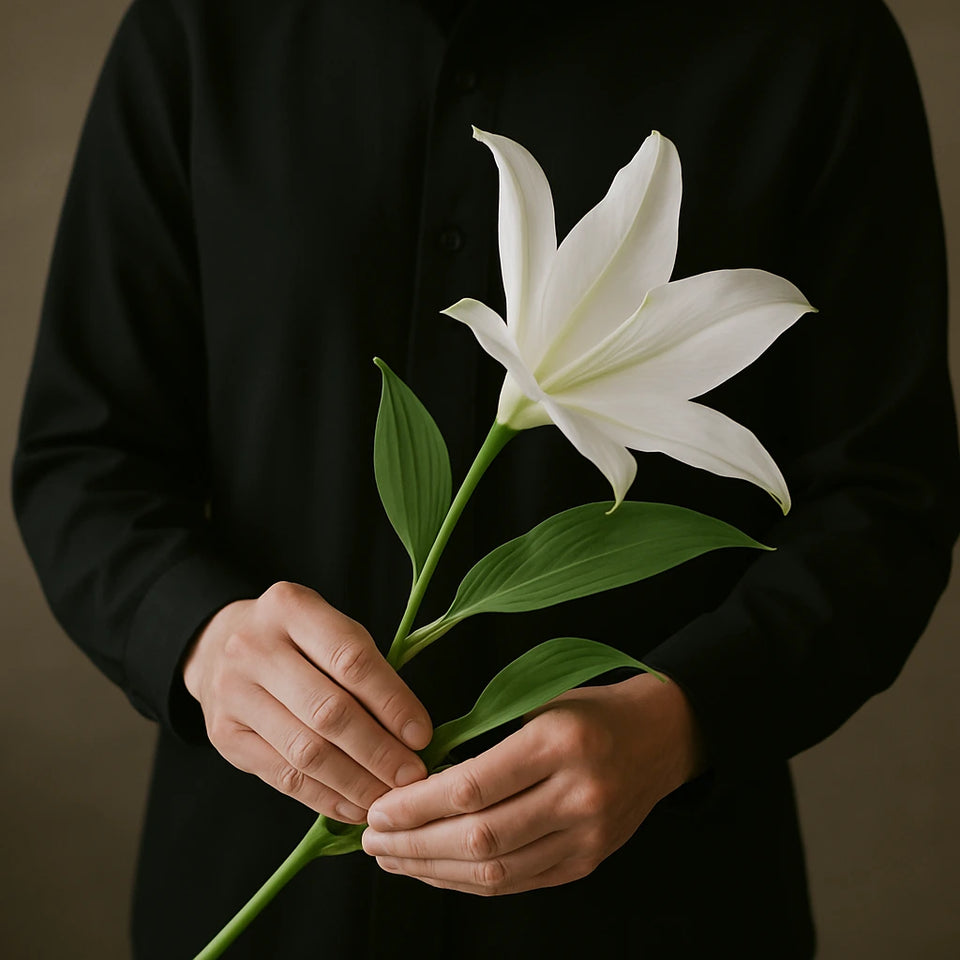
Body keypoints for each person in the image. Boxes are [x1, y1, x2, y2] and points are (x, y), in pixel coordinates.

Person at [13, 0, 959, 956]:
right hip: (259, 895)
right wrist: (202, 639)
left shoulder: (815, 35)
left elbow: (889, 503)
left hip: (658, 905)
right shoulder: (196, 26)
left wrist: (681, 721)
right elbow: (82, 459)